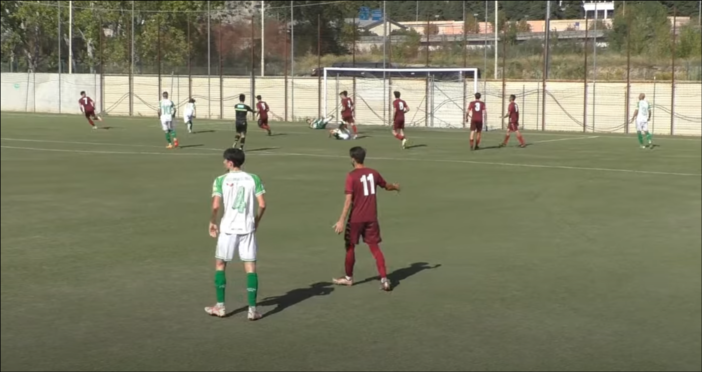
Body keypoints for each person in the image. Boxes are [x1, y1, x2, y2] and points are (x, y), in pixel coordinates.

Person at [205, 147, 267, 321]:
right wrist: (256, 221)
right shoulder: (254, 178)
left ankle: (221, 306)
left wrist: (212, 221)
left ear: (230, 163)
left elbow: (216, 206)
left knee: (220, 264)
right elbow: (262, 204)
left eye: (225, 160)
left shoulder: (220, 180)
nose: (223, 163)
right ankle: (252, 310)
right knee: (250, 267)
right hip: (247, 228)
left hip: (228, 229)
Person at [333, 146, 401, 291]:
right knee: (375, 248)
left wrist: (341, 220)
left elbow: (348, 200)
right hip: (371, 218)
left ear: (352, 159)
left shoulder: (351, 176)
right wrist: (395, 187)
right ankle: (384, 280)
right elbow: (386, 186)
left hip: (356, 219)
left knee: (350, 246)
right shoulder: (373, 173)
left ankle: (348, 278)